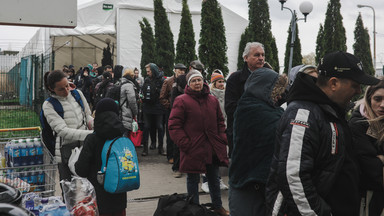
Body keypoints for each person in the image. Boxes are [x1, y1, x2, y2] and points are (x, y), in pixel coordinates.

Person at [265, 51, 380, 216]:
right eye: (355, 85)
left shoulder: (330, 111)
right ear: (334, 83)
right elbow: (293, 177)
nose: (358, 91)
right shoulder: (303, 113)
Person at [168, 70, 230, 216]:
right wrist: (185, 143)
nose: (197, 83)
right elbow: (174, 125)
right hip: (192, 148)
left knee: (214, 178)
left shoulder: (212, 100)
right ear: (189, 84)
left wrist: (221, 138)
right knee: (192, 179)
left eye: (199, 80)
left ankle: (218, 206)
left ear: (204, 81)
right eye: (194, 81)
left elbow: (220, 121)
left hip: (212, 147)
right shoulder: (181, 100)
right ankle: (194, 209)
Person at [228, 68, 287, 216]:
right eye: (275, 90)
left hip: (261, 184)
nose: (279, 95)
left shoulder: (270, 109)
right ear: (263, 88)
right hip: (246, 183)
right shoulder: (248, 108)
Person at [74, 98, 127, 216]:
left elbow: (81, 170)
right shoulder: (121, 138)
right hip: (119, 199)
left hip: (97, 202)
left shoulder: (92, 139)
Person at [42, 70, 93, 182]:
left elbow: (87, 116)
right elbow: (63, 131)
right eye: (61, 89)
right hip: (65, 153)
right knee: (70, 191)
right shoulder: (49, 105)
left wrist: (96, 126)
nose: (66, 91)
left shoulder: (77, 94)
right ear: (51, 89)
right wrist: (90, 134)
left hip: (84, 148)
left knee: (88, 190)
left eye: (67, 86)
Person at [225, 42, 266, 158]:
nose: (261, 58)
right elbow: (230, 108)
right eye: (257, 55)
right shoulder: (235, 79)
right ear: (246, 58)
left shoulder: (270, 78)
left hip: (263, 135)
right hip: (241, 134)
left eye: (263, 55)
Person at [349, 80, 384, 215]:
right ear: (369, 99)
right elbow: (370, 168)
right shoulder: (358, 124)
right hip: (369, 196)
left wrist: (380, 158)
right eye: (377, 99)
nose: (382, 105)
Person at [201, 70, 228, 193]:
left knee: (219, 157)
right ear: (214, 83)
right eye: (219, 82)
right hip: (211, 131)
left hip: (222, 129)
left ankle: (218, 179)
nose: (222, 84)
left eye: (223, 81)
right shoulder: (210, 96)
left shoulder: (226, 95)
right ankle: (205, 181)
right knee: (208, 157)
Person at [159, 63, 187, 173]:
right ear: (174, 70)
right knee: (170, 134)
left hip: (183, 110)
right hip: (171, 111)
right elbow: (162, 97)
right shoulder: (168, 81)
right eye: (179, 70)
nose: (181, 72)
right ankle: (170, 155)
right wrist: (170, 106)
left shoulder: (185, 80)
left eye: (183, 70)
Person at [141, 63, 165, 156]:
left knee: (159, 126)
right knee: (147, 126)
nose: (147, 73)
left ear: (153, 70)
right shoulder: (146, 79)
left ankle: (161, 148)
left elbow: (164, 93)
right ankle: (145, 149)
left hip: (158, 107)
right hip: (147, 107)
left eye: (149, 71)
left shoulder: (162, 80)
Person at [120, 68, 139, 136]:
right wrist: (136, 112)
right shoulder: (129, 85)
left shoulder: (120, 83)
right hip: (127, 112)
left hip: (120, 112)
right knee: (125, 135)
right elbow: (132, 101)